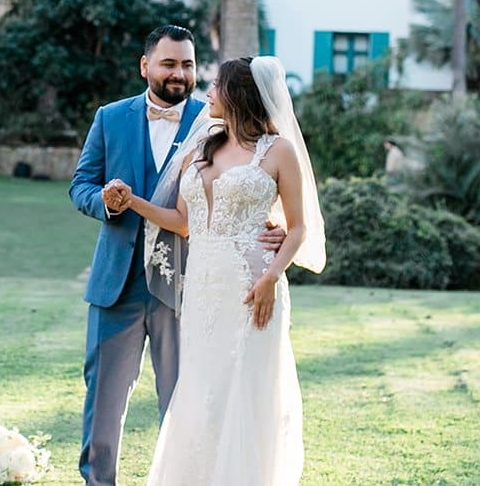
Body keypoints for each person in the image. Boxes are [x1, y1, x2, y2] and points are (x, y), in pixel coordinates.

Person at [69, 26, 286, 486]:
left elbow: (258, 170)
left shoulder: (213, 118)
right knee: (103, 399)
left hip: (191, 286)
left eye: (187, 65)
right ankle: (97, 482)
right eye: (169, 64)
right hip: (118, 282)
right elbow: (80, 184)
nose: (179, 74)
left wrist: (275, 222)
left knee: (187, 397)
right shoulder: (110, 118)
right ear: (145, 65)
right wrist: (106, 202)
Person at [110, 55, 326, 486]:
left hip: (252, 289)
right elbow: (183, 223)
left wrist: (270, 278)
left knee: (244, 389)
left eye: (215, 85)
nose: (207, 92)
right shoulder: (204, 144)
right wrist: (132, 200)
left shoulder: (278, 150)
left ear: (238, 94)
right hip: (204, 289)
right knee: (202, 389)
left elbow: (299, 226)